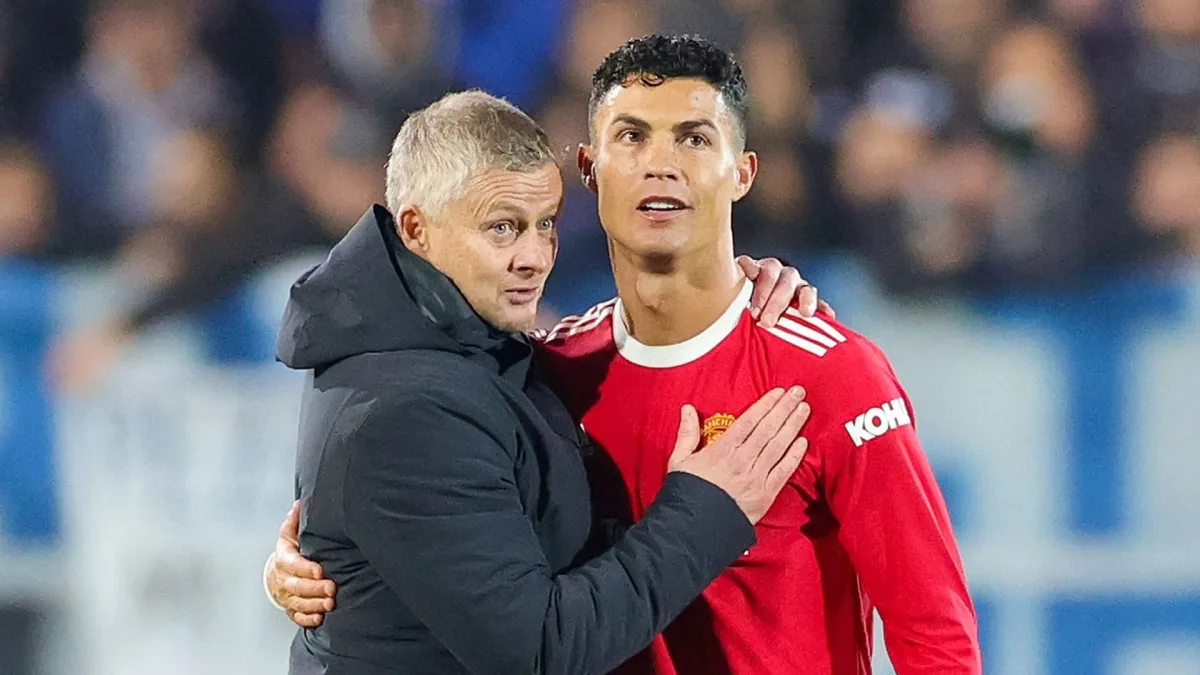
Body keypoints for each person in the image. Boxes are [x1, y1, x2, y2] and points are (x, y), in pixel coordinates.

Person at [274, 36, 983, 674]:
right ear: (588, 167)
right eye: (633, 136)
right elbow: (427, 522)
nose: (662, 164)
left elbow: (937, 635)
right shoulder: (551, 369)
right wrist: (306, 564)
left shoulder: (827, 373)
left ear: (743, 171)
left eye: (695, 139)